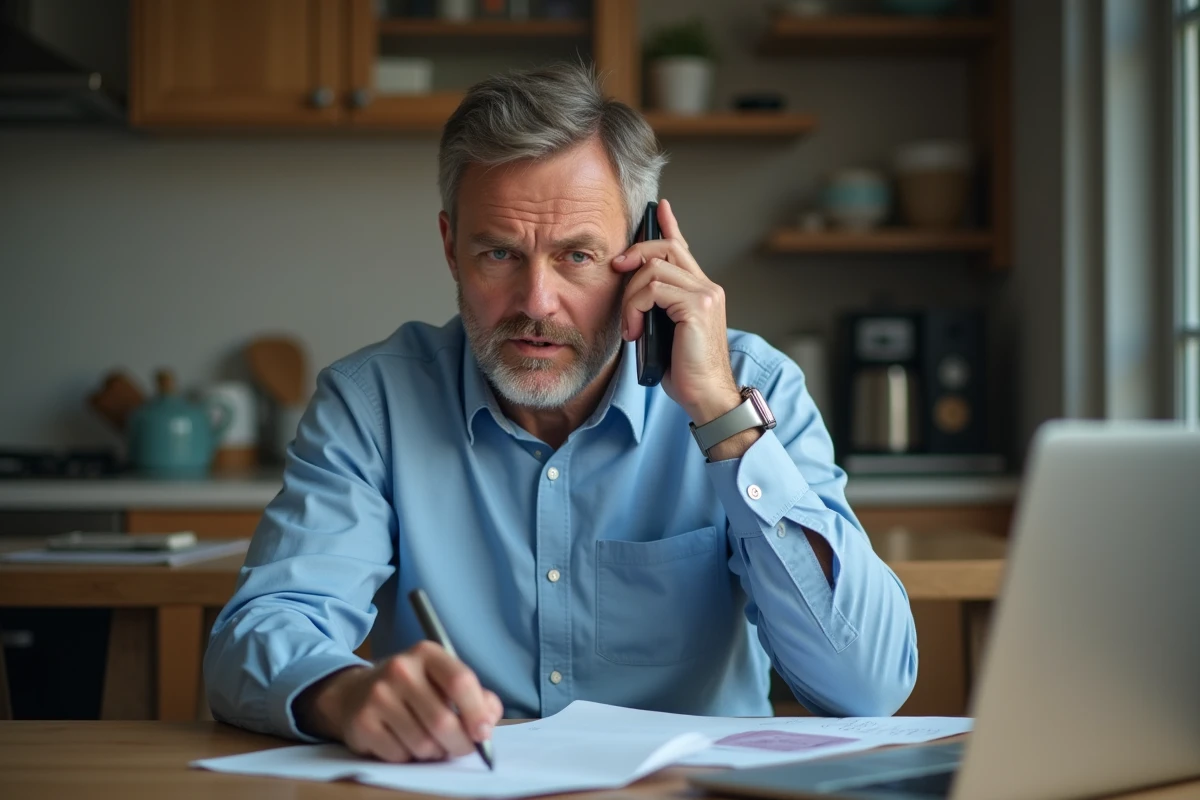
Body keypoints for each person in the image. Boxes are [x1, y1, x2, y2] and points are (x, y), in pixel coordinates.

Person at [204, 63, 917, 765]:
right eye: (499, 253)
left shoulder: (753, 389)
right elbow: (258, 634)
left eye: (577, 256)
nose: (536, 303)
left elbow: (868, 686)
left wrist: (722, 419)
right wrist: (343, 694)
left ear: (644, 255)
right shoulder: (373, 406)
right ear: (452, 248)